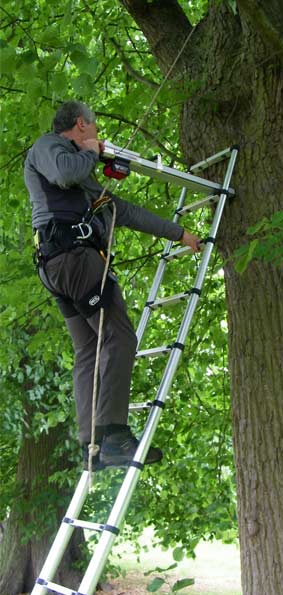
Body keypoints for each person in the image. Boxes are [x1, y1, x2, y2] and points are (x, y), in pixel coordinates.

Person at [24, 100, 201, 471]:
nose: (99, 136)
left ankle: (92, 444)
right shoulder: (48, 147)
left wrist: (179, 233)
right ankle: (116, 437)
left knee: (89, 347)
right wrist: (89, 152)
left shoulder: (84, 184)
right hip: (73, 259)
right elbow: (63, 172)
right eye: (96, 128)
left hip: (63, 265)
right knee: (119, 338)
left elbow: (124, 210)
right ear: (80, 125)